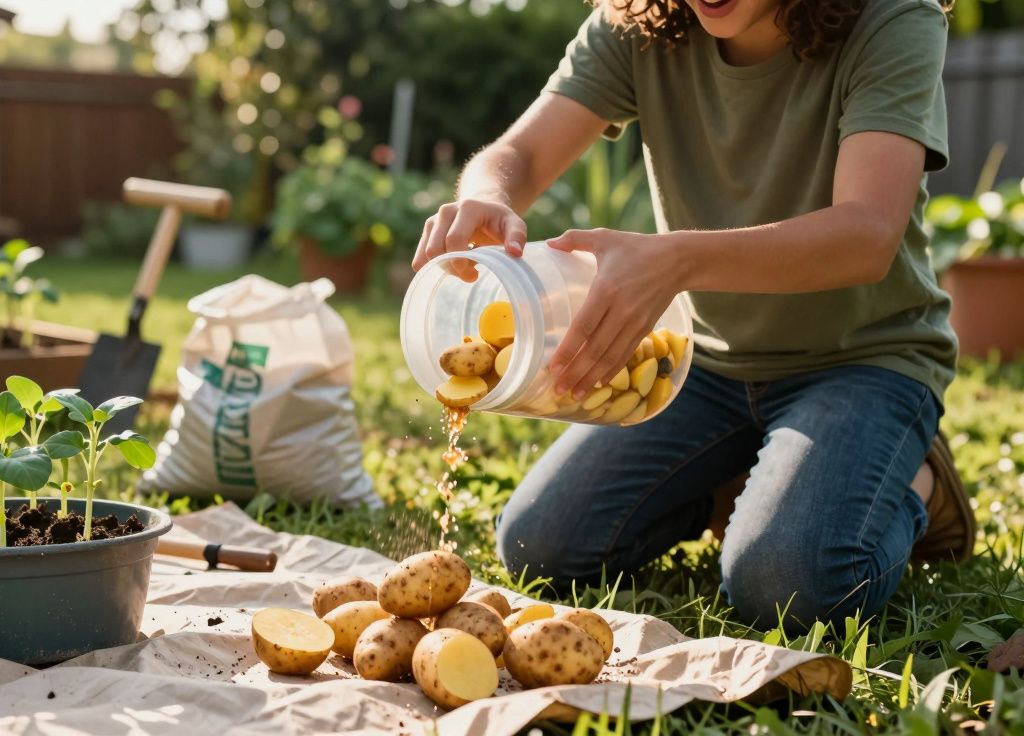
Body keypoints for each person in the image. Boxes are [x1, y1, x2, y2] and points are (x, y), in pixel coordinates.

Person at [411, 0, 976, 633]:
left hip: (864, 362)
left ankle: (916, 481)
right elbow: (522, 155)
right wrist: (485, 198)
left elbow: (866, 235)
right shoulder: (639, 24)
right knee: (539, 546)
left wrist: (673, 259)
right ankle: (743, 484)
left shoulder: (894, 18)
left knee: (784, 586)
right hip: (702, 366)